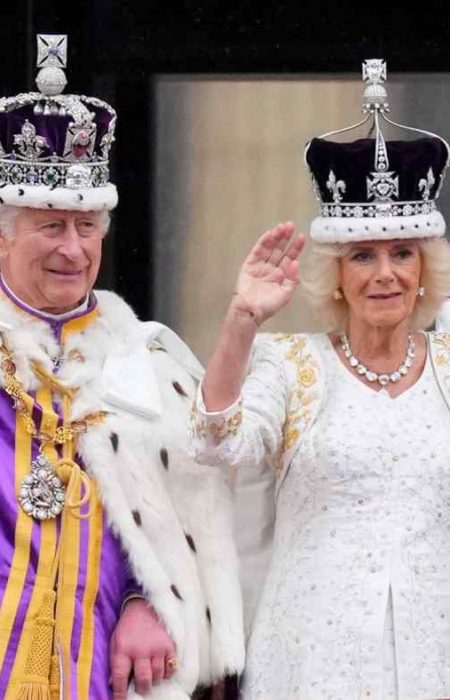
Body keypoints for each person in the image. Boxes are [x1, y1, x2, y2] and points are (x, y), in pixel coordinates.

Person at [189, 59, 450, 699]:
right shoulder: (293, 363)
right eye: (363, 255)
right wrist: (242, 319)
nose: (384, 273)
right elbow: (216, 442)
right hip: (308, 660)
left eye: (401, 252)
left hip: (433, 654)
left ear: (424, 267)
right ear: (336, 271)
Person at [0, 34, 244, 700]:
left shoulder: (149, 361)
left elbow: (186, 518)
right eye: (52, 225)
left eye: (88, 226)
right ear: (6, 231)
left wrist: (148, 597)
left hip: (98, 671)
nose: (74, 249)